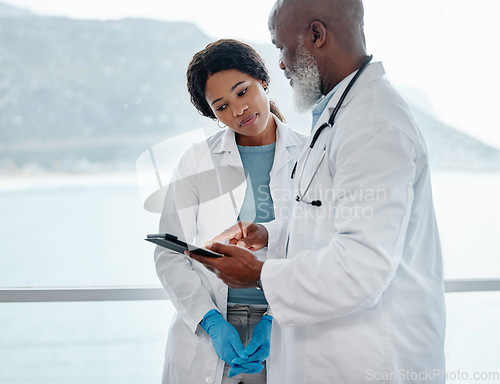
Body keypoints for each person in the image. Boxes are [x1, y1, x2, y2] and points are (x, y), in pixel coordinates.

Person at [188, 1, 446, 383]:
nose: (279, 64)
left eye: (280, 47)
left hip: (368, 363)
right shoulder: (338, 117)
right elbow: (326, 218)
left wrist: (259, 274)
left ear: (316, 35)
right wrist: (269, 233)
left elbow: (362, 268)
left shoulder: (372, 124)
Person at [155, 39, 306, 384]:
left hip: (284, 326)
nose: (238, 110)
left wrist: (274, 318)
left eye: (242, 92)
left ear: (263, 80)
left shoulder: (309, 155)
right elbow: (169, 252)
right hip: (208, 325)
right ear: (213, 115)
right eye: (222, 106)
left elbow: (319, 241)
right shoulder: (197, 159)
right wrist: (209, 321)